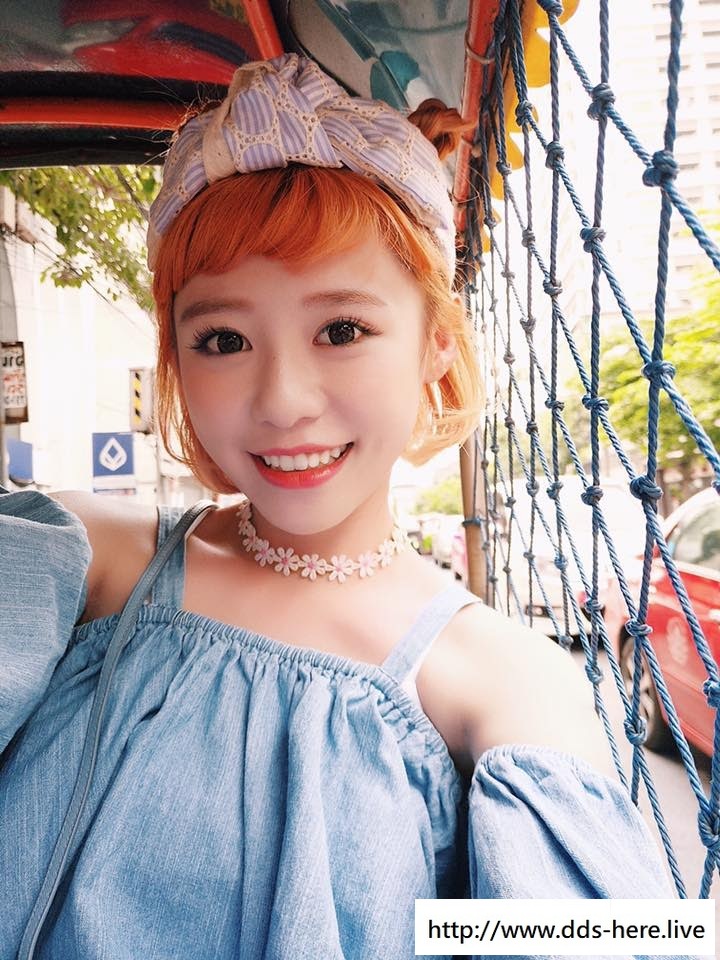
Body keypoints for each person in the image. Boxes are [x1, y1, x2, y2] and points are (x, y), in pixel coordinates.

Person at [0, 54, 686, 960]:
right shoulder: (92, 559)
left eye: (342, 329)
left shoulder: (496, 681)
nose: (283, 401)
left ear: (437, 345)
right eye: (224, 339)